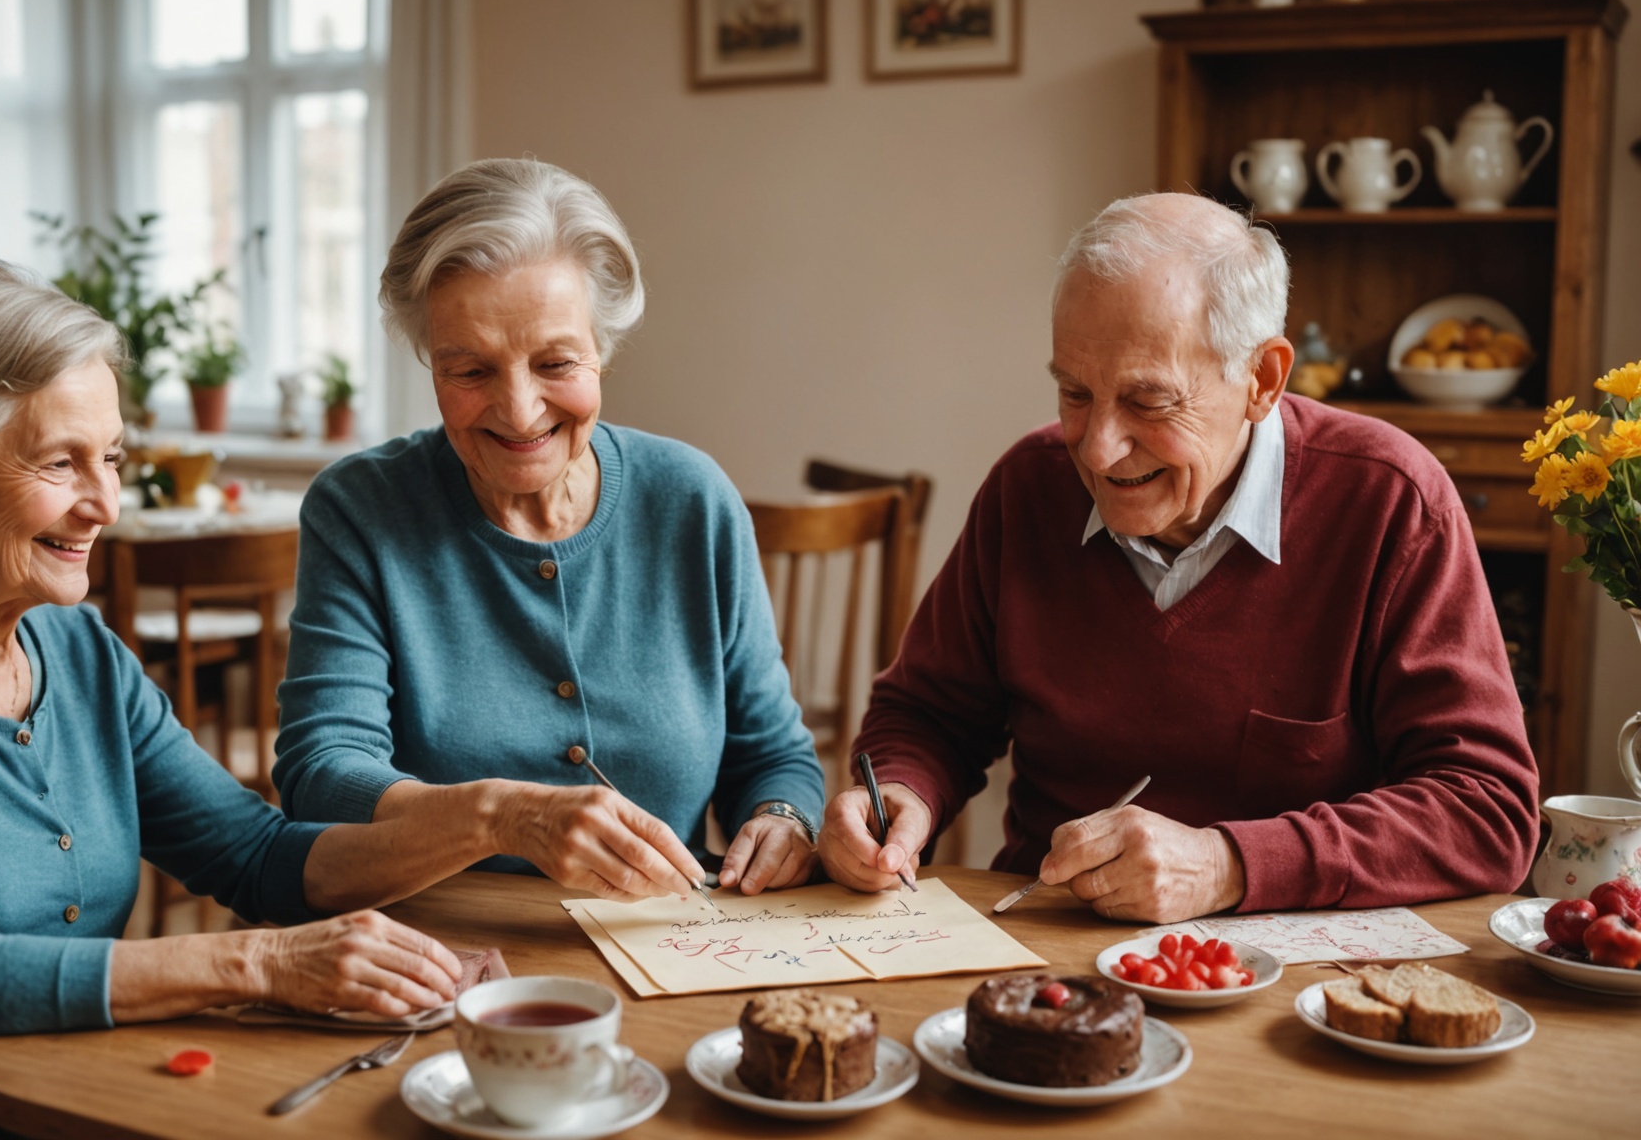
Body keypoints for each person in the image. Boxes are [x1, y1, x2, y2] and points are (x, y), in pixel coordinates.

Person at [0, 261, 460, 1140]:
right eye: (60, 463)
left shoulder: (77, 651)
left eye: (111, 458)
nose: (104, 502)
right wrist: (264, 961)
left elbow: (254, 857)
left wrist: (481, 821)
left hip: (52, 1086)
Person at [818, 192, 1539, 923]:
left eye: (1149, 402)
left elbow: (1487, 809)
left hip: (1296, 978)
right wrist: (902, 796)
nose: (1098, 450)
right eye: (1074, 391)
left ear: (1262, 380)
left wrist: (1229, 865)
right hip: (1043, 947)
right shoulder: (1027, 486)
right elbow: (926, 715)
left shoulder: (1390, 500)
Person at [277, 159, 825, 911]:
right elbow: (322, 771)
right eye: (468, 370)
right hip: (437, 954)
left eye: (555, 362)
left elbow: (772, 755)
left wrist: (781, 818)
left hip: (669, 943)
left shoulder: (692, 500)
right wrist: (504, 819)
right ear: (426, 360)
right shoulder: (361, 510)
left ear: (603, 345)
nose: (520, 410)